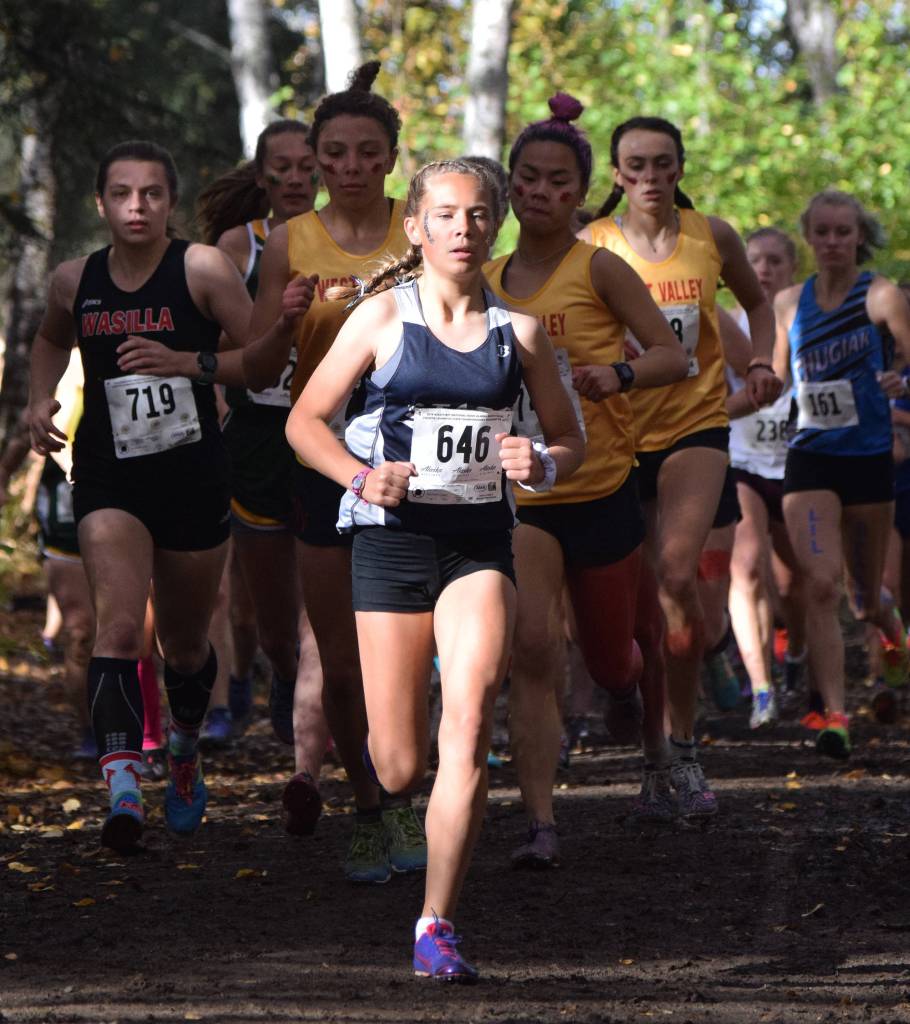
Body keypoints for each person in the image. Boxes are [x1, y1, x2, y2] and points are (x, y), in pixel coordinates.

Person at [286, 157, 584, 981]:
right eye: (446, 215)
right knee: (398, 764)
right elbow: (305, 423)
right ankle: (400, 809)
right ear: (415, 227)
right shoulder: (381, 318)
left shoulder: (517, 334)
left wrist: (541, 461)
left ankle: (436, 923)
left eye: (479, 215)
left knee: (469, 717)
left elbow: (568, 440)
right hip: (391, 542)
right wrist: (358, 475)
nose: (463, 229)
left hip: (480, 547)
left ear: (497, 227)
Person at [26, 139, 271, 852]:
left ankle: (185, 752)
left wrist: (186, 363)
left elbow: (257, 360)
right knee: (118, 630)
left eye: (152, 193)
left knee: (187, 647)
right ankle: (124, 784)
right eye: (123, 194)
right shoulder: (75, 280)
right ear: (100, 204)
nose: (138, 206)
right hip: (109, 475)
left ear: (169, 201)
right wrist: (40, 400)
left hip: (193, 475)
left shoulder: (200, 268)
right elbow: (48, 340)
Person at [484, 94, 687, 862]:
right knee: (533, 648)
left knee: (609, 660)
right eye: (527, 179)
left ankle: (629, 693)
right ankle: (541, 823)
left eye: (557, 182)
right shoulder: (488, 279)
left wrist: (619, 374)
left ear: (579, 193)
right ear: (510, 186)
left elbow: (674, 354)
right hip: (525, 496)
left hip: (600, 489)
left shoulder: (598, 266)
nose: (540, 193)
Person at [246, 62, 423, 881]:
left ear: (390, 158)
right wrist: (282, 324)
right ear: (315, 161)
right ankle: (366, 806)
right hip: (327, 459)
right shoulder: (290, 241)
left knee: (415, 653)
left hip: (420, 457)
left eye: (366, 152)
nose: (350, 166)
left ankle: (412, 795)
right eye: (335, 154)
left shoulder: (422, 230)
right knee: (343, 659)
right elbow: (252, 369)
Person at [581, 116, 781, 816]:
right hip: (614, 437)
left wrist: (762, 363)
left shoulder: (711, 236)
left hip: (695, 427)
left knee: (675, 575)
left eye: (662, 163)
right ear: (615, 174)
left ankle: (686, 748)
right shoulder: (591, 245)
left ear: (679, 167)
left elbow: (756, 304)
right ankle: (651, 750)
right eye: (635, 165)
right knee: (630, 617)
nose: (650, 177)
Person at [196, 120, 332, 831]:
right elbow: (219, 341)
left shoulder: (351, 237)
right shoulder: (237, 247)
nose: (294, 177)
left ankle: (308, 766)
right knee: (275, 626)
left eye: (306, 164)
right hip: (257, 437)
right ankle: (279, 674)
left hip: (333, 434)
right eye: (280, 167)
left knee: (319, 617)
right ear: (262, 174)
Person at [773, 190, 910, 757]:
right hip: (810, 456)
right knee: (822, 586)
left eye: (842, 232)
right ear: (809, 237)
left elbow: (907, 355)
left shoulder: (881, 296)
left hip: (869, 459)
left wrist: (900, 378)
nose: (832, 242)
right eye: (822, 232)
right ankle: (834, 716)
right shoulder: (788, 302)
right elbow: (776, 378)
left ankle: (894, 634)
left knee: (865, 598)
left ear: (859, 237)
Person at [724, 228, 808, 727]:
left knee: (796, 581)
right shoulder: (731, 323)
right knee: (746, 567)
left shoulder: (811, 322)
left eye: (775, 260)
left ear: (792, 268)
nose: (763, 269)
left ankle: (796, 653)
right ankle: (761, 687)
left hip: (799, 462)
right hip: (743, 459)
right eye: (754, 259)